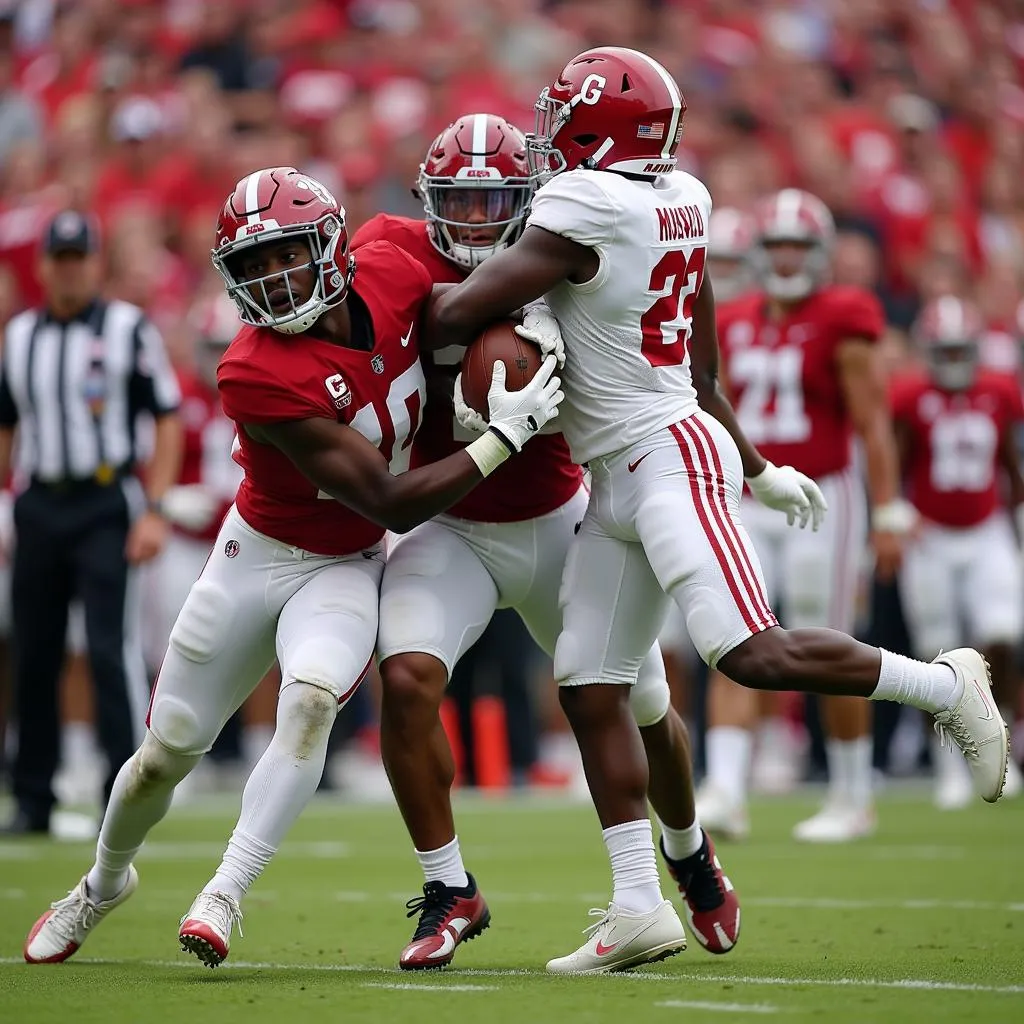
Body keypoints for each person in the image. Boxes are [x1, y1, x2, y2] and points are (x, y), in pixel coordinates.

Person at [425, 46, 1010, 974]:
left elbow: (458, 314)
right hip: (626, 465)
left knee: (751, 652)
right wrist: (757, 458)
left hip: (664, 456)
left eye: (560, 119)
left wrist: (393, 302)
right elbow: (699, 357)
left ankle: (947, 687)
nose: (546, 138)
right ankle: (635, 905)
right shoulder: (678, 196)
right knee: (587, 684)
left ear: (593, 128)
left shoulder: (587, 204)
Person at [22, 166, 562, 967]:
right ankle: (100, 884)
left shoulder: (392, 258)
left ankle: (225, 891)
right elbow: (389, 499)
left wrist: (546, 316)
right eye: (254, 268)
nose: (273, 280)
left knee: (310, 703)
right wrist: (501, 438)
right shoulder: (253, 368)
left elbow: (489, 254)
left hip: (345, 565)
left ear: (333, 245)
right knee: (165, 753)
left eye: (285, 255)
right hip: (260, 552)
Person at [353, 113, 739, 971]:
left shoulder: (570, 246)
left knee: (642, 703)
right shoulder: (393, 255)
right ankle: (449, 887)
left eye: (501, 200)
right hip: (450, 525)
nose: (484, 219)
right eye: (464, 200)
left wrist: (742, 448)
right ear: (428, 199)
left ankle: (688, 848)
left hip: (562, 514)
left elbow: (682, 311)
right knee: (409, 677)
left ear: (532, 198)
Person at [698, 188, 907, 844]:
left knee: (825, 639)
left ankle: (852, 793)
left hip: (823, 498)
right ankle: (727, 790)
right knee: (735, 637)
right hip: (750, 498)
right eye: (775, 246)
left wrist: (889, 510)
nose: (786, 258)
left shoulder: (845, 314)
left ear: (819, 254)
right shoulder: (731, 318)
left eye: (797, 247)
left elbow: (872, 422)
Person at [0, 209, 182, 836]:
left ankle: (123, 791)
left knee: (109, 649)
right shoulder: (20, 335)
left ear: (94, 263)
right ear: (46, 265)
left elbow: (166, 416)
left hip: (106, 502)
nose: (71, 270)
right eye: (61, 258)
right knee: (35, 651)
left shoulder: (128, 329)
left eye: (80, 258)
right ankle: (32, 796)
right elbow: (6, 422)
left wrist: (153, 508)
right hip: (40, 501)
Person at [891, 296, 1024, 808]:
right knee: (936, 652)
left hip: (987, 528)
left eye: (958, 350)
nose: (951, 361)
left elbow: (1011, 467)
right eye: (942, 351)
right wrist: (899, 516)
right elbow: (896, 465)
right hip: (931, 537)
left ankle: (1001, 751)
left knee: (1002, 637)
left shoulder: (998, 391)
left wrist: (1015, 528)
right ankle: (949, 764)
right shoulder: (911, 396)